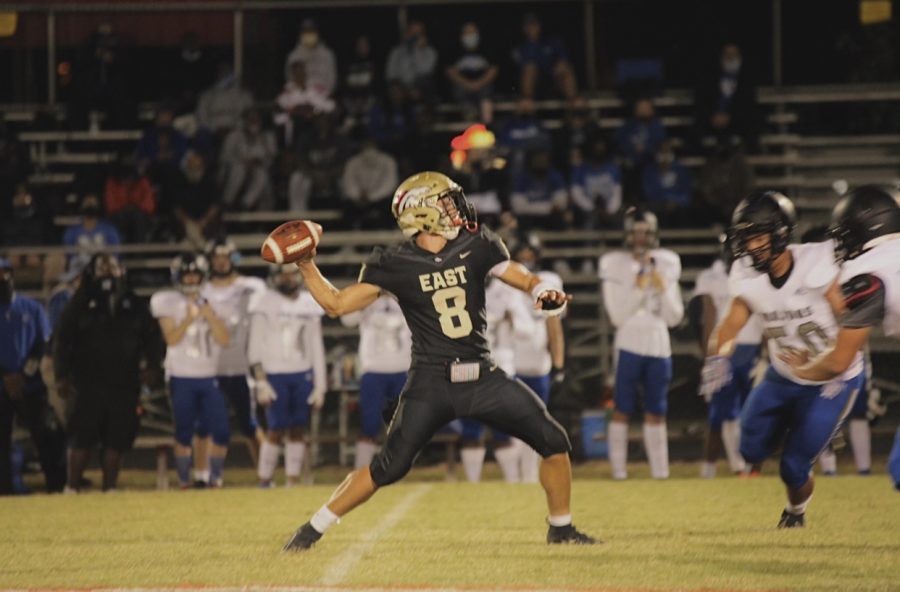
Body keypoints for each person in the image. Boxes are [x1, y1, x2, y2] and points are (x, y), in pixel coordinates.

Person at [282, 171, 596, 550]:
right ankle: (309, 531)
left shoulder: (478, 243)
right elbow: (337, 305)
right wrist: (306, 265)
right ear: (423, 212)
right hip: (432, 381)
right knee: (389, 467)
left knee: (553, 440)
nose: (456, 207)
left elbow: (523, 277)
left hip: (483, 375)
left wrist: (544, 289)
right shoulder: (394, 262)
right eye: (446, 201)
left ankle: (560, 529)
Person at [701, 191, 865, 527]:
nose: (750, 246)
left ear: (781, 234)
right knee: (749, 450)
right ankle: (800, 425)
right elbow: (731, 323)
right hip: (784, 374)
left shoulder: (815, 264)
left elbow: (851, 321)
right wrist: (719, 357)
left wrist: (829, 361)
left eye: (757, 236)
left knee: (793, 466)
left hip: (831, 376)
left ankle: (795, 513)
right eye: (745, 238)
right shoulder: (746, 275)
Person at [775, 185, 900, 490]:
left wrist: (801, 370)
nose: (840, 246)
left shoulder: (868, 273)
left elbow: (838, 362)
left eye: (844, 236)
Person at [53, 254, 161, 492]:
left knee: (117, 437)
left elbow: (152, 337)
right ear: (92, 272)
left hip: (124, 382)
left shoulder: (133, 302)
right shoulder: (79, 302)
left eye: (111, 266)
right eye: (102, 267)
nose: (107, 272)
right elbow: (62, 340)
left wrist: (153, 365)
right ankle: (71, 486)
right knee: (82, 436)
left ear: (121, 270)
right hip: (87, 382)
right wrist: (61, 376)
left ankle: (110, 487)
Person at [599, 208, 683, 480]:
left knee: (657, 411)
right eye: (636, 231)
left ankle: (661, 473)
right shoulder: (614, 263)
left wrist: (663, 287)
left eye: (645, 232)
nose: (640, 237)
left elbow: (674, 317)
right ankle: (619, 473)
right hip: (629, 344)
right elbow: (617, 316)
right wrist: (637, 288)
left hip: (659, 346)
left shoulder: (667, 263)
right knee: (622, 409)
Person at [150, 253, 231, 489]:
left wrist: (209, 316)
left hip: (208, 375)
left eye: (195, 275)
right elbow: (172, 339)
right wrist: (187, 319)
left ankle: (213, 478)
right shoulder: (167, 301)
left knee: (220, 430)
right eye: (187, 275)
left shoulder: (213, 301)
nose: (192, 280)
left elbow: (224, 339)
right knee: (184, 431)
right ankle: (184, 481)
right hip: (181, 375)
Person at [194, 239, 266, 485]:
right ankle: (202, 476)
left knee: (249, 424)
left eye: (225, 256)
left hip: (241, 365)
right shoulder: (201, 290)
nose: (221, 262)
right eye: (217, 257)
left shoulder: (252, 286)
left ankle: (264, 475)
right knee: (203, 425)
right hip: (207, 367)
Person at [249, 265, 326, 488]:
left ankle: (292, 479)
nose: (288, 278)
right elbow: (254, 345)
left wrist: (320, 385)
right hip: (274, 374)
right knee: (275, 428)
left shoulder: (308, 303)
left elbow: (316, 347)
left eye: (292, 273)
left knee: (297, 429)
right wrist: (260, 381)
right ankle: (264, 478)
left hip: (302, 373)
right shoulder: (264, 301)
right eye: (284, 274)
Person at [692, 235, 762, 478]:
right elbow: (708, 318)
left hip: (752, 347)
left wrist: (767, 353)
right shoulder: (712, 277)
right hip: (724, 349)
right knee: (719, 413)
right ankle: (712, 469)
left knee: (752, 412)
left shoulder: (759, 273)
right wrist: (709, 356)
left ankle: (750, 468)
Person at [459, 272, 535, 483]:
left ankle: (512, 480)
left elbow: (528, 330)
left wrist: (514, 320)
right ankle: (472, 484)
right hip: (469, 364)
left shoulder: (508, 293)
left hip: (501, 364)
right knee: (471, 427)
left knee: (504, 427)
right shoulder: (457, 289)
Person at [0, 258, 66, 495]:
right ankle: (5, 490)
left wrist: (23, 375)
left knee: (47, 435)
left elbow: (43, 344)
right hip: (2, 386)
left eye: (5, 273)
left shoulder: (31, 308)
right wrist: (6, 376)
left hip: (30, 385)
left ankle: (56, 486)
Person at [511, 238, 566, 483]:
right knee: (511, 424)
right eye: (521, 251)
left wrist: (558, 362)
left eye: (529, 251)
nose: (526, 256)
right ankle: (514, 477)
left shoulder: (549, 281)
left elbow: (554, 325)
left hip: (538, 363)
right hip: (510, 362)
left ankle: (530, 476)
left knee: (536, 423)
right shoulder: (502, 283)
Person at [341, 296, 411, 470]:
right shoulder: (368, 295)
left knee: (403, 428)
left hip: (403, 369)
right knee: (369, 426)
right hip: (373, 370)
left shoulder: (407, 289)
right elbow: (347, 319)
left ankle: (397, 470)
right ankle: (361, 472)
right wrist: (366, 297)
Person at [220, 109, 277, 211]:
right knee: (239, 170)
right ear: (244, 120)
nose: (253, 122)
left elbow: (271, 157)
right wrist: (242, 161)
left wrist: (257, 161)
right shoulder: (234, 136)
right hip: (234, 169)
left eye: (256, 119)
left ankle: (244, 205)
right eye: (250, 119)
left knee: (262, 175)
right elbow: (225, 157)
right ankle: (228, 202)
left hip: (257, 169)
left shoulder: (266, 137)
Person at [511, 13, 577, 100]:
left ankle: (574, 99)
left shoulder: (553, 42)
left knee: (564, 68)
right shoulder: (519, 49)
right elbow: (521, 71)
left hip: (553, 81)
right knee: (530, 68)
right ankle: (527, 99)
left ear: (540, 26)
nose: (532, 28)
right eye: (529, 25)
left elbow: (563, 60)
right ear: (524, 29)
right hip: (532, 86)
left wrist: (557, 69)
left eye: (534, 24)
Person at [445, 22, 498, 123]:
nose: (470, 35)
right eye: (467, 33)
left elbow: (493, 70)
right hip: (462, 86)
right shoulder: (454, 50)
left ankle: (488, 127)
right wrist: (468, 84)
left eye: (472, 32)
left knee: (486, 98)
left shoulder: (486, 49)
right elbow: (450, 72)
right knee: (463, 98)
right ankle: (470, 129)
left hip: (483, 85)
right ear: (461, 35)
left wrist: (478, 84)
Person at [340, 137, 398, 228]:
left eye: (371, 146)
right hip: (357, 201)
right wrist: (358, 196)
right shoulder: (352, 162)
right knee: (347, 209)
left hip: (381, 200)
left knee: (390, 208)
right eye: (366, 147)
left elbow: (389, 184)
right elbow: (348, 182)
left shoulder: (388, 161)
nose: (369, 150)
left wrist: (371, 197)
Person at [569, 139, 623, 230]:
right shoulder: (581, 170)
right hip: (587, 211)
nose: (598, 152)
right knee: (590, 221)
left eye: (601, 149)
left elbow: (617, 195)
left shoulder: (613, 169)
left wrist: (609, 211)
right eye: (596, 149)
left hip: (610, 210)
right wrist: (591, 209)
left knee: (618, 220)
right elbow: (577, 195)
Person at [509, 150, 568, 230]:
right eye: (537, 159)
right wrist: (548, 208)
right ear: (531, 160)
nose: (540, 162)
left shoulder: (554, 176)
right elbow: (518, 208)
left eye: (543, 159)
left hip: (550, 219)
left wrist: (529, 207)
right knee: (521, 221)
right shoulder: (522, 178)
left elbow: (561, 204)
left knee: (559, 221)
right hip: (528, 219)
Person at [62, 193, 121, 273]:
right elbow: (70, 253)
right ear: (82, 207)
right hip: (80, 266)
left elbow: (115, 251)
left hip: (102, 265)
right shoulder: (72, 231)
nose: (90, 207)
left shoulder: (109, 229)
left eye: (93, 204)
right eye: (87, 204)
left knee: (110, 262)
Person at [385, 21, 438, 103]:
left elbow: (424, 70)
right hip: (401, 86)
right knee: (395, 91)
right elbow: (390, 73)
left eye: (418, 33)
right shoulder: (396, 51)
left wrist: (417, 49)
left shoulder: (430, 51)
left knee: (419, 90)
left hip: (420, 86)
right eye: (412, 32)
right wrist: (399, 86)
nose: (414, 36)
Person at [196, 61, 254, 137]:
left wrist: (234, 129)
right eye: (222, 71)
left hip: (237, 132)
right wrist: (213, 129)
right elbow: (201, 116)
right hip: (212, 133)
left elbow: (249, 116)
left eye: (227, 71)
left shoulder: (245, 95)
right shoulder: (207, 95)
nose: (224, 74)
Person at [283, 18, 337, 97]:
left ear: (317, 32)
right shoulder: (294, 56)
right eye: (306, 31)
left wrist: (323, 96)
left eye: (311, 31)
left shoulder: (327, 54)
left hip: (323, 98)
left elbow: (332, 79)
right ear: (301, 34)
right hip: (299, 99)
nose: (309, 34)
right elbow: (290, 78)